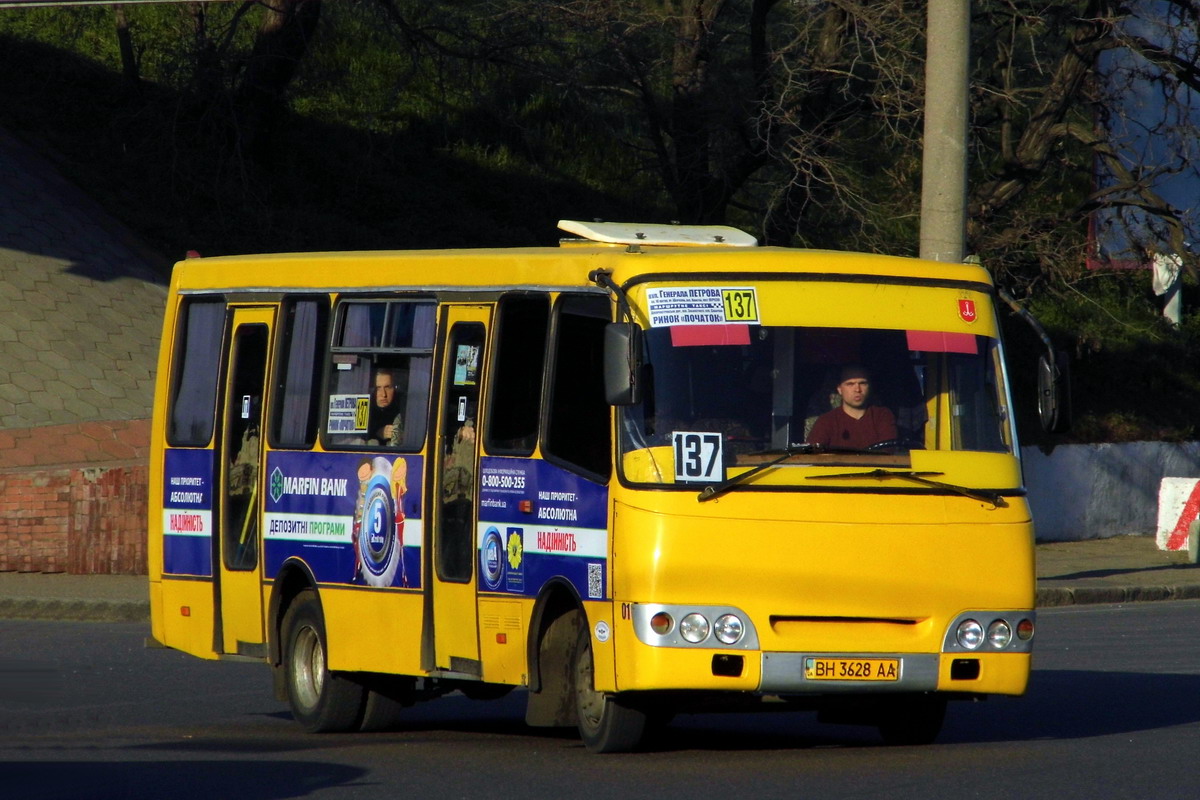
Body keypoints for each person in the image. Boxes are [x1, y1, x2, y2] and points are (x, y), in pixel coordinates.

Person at [806, 365, 897, 449]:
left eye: (862, 383)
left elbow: (888, 452)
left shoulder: (882, 416)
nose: (857, 389)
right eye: (850, 384)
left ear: (869, 387)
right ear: (840, 389)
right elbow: (812, 455)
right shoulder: (826, 421)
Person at [369, 368, 404, 444]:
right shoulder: (365, 409)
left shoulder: (405, 409)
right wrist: (376, 433)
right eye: (378, 388)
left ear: (394, 388)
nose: (384, 394)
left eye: (387, 387)